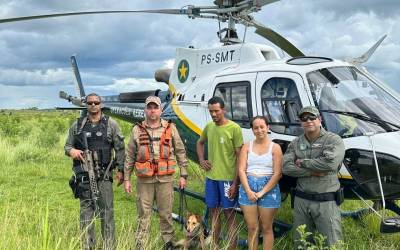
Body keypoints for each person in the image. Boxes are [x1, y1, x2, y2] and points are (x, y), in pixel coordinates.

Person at [124, 96, 188, 250]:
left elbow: (180, 151)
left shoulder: (170, 128)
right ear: (145, 110)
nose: (152, 110)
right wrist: (126, 178)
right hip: (144, 181)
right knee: (143, 214)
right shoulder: (136, 129)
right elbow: (130, 155)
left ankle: (169, 243)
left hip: (165, 179)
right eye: (149, 107)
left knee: (165, 213)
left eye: (155, 107)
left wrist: (183, 175)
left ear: (160, 110)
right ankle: (141, 244)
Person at [65, 93, 126, 250]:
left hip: (104, 176)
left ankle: (108, 246)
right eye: (90, 102)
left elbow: (120, 148)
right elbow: (67, 146)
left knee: (107, 212)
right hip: (84, 178)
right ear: (86, 104)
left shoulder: (111, 124)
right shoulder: (77, 125)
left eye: (96, 102)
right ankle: (87, 246)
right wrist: (72, 152)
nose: (93, 105)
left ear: (101, 104)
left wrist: (121, 170)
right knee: (86, 212)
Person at [283, 106, 345, 248]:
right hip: (301, 201)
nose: (308, 120)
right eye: (304, 118)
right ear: (300, 122)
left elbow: (330, 164)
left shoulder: (333, 140)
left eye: (312, 117)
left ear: (320, 119)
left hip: (326, 201)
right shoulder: (296, 143)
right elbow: (286, 167)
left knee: (332, 244)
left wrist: (303, 163)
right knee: (301, 244)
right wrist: (312, 172)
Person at [196, 96, 243, 250]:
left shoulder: (234, 128)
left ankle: (232, 248)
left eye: (216, 111)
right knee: (214, 214)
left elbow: (240, 157)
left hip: (228, 180)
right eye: (211, 111)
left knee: (229, 215)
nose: (214, 114)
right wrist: (202, 160)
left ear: (224, 109)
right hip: (211, 178)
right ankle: (215, 246)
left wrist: (236, 183)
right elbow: (200, 142)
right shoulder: (209, 127)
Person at [238, 116, 282, 250]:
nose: (259, 130)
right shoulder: (247, 146)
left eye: (262, 127)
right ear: (252, 130)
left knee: (267, 227)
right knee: (252, 227)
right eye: (256, 127)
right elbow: (241, 169)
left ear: (268, 128)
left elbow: (278, 173)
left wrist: (262, 192)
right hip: (248, 186)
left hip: (268, 187)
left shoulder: (275, 148)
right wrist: (248, 191)